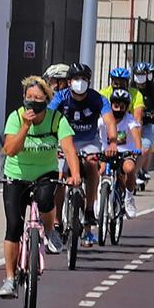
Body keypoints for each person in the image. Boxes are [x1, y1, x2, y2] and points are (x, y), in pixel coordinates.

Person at [0, 74, 78, 298]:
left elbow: (69, 149)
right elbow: (10, 150)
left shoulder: (56, 119)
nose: (33, 101)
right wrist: (25, 125)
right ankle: (10, 279)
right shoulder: (16, 117)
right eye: (29, 97)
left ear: (46, 99)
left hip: (45, 173)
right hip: (17, 175)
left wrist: (76, 175)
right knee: (13, 226)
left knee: (45, 199)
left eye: (38, 98)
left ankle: (50, 229)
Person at [50, 62, 108, 244]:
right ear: (68, 81)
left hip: (89, 142)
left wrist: (112, 143)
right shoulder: (61, 97)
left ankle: (89, 211)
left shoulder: (97, 99)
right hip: (64, 142)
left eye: (84, 79)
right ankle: (57, 221)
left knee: (91, 164)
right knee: (59, 176)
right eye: (76, 78)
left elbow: (110, 122)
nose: (80, 82)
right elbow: (48, 116)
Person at [98, 86, 142, 220]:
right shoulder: (103, 120)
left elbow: (136, 135)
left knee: (130, 168)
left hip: (125, 152)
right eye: (116, 106)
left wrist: (137, 149)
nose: (118, 109)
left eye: (122, 107)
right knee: (100, 170)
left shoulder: (129, 120)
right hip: (106, 152)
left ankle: (128, 198)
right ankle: (98, 200)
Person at [132, 60, 154, 174]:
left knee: (145, 148)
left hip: (151, 122)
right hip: (134, 122)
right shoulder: (131, 87)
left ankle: (136, 174)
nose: (140, 77)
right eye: (138, 74)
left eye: (142, 75)